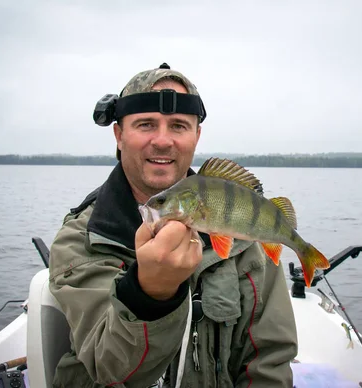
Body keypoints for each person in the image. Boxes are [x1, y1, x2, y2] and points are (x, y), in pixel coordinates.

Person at [48, 63, 298, 387]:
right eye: (146, 124)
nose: (163, 141)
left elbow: (270, 362)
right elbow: (107, 367)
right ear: (119, 135)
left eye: (178, 126)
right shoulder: (81, 240)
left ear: (197, 136)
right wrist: (149, 294)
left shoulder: (247, 237)